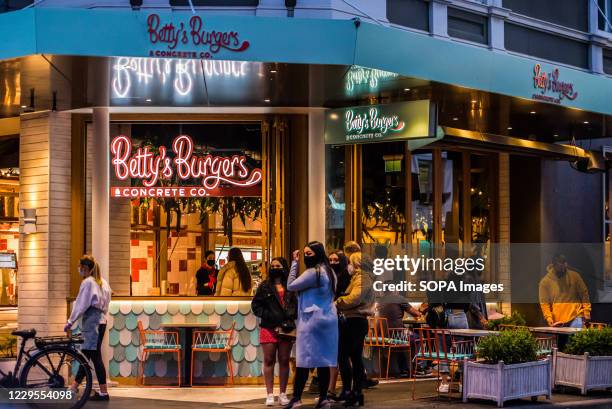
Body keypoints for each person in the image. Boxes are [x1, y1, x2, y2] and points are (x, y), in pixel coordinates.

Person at [284, 241, 338, 409]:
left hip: (311, 321)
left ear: (317, 254)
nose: (307, 257)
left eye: (308, 254)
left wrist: (294, 263)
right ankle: (323, 399)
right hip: (328, 320)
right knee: (323, 361)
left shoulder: (313, 272)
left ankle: (296, 398)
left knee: (303, 361)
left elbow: (290, 285)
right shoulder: (330, 273)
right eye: (305, 254)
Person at [64, 255, 112, 401]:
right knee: (89, 355)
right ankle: (75, 386)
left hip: (92, 323)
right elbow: (109, 299)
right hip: (102, 321)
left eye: (80, 268)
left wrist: (70, 321)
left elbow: (81, 304)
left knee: (92, 356)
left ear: (85, 269)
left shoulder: (88, 282)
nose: (79, 270)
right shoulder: (103, 282)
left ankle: (101, 392)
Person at [252, 257, 297, 406]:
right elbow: (256, 306)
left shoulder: (291, 286)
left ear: (284, 267)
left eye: (278, 265)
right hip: (268, 327)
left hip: (286, 328)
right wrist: (269, 316)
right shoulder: (265, 286)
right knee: (269, 359)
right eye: (273, 265)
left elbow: (296, 305)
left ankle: (283, 393)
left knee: (284, 360)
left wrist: (289, 317)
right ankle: (269, 393)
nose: (275, 268)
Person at [335, 252, 375, 407]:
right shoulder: (359, 277)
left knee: (345, 356)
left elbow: (355, 298)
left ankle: (351, 391)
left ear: (356, 263)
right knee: (353, 356)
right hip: (355, 320)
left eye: (350, 262)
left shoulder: (362, 277)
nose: (348, 265)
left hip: (354, 320)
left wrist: (337, 302)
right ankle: (355, 392)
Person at [377, 286, 423, 378]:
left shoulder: (380, 300)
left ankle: (404, 368)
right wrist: (421, 312)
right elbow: (416, 313)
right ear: (394, 289)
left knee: (407, 338)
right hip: (395, 334)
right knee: (417, 338)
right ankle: (417, 368)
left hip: (383, 334)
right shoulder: (398, 298)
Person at [539, 254, 591, 328]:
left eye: (564, 267)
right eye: (560, 267)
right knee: (563, 339)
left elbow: (584, 294)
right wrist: (548, 317)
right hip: (558, 321)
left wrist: (587, 313)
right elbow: (544, 303)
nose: (563, 270)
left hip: (576, 316)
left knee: (576, 338)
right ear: (554, 265)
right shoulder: (545, 282)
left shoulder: (575, 276)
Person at [326, 250, 350, 400]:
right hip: (329, 318)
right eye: (330, 260)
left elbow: (345, 298)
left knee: (342, 356)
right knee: (333, 356)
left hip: (341, 319)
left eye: (336, 260)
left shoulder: (347, 277)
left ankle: (342, 389)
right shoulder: (327, 276)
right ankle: (332, 389)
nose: (333, 262)